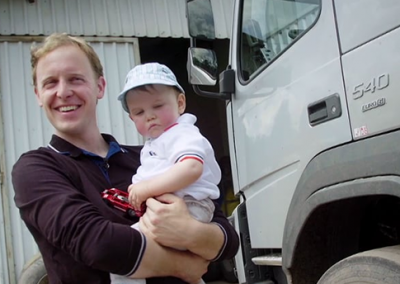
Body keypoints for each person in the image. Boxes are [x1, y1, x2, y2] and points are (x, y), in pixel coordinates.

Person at [11, 33, 239, 284]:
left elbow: (227, 237)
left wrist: (190, 232)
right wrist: (184, 266)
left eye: (75, 79)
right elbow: (97, 244)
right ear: (37, 95)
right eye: (50, 83)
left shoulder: (145, 158)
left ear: (100, 86)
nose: (63, 92)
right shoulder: (37, 168)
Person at [110, 63, 221, 284]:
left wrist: (145, 189)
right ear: (132, 119)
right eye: (139, 112)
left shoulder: (181, 133)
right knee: (172, 262)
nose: (149, 116)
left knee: (124, 255)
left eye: (158, 106)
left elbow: (191, 167)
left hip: (189, 208)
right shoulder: (157, 142)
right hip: (178, 208)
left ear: (180, 103)